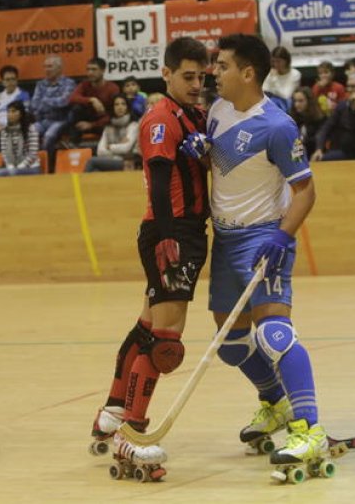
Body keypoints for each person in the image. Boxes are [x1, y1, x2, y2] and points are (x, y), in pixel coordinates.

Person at [181, 33, 326, 473]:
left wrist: (282, 236)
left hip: (264, 236)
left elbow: (305, 191)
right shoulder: (218, 112)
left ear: (247, 73)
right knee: (229, 343)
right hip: (224, 239)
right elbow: (225, 169)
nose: (213, 73)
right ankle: (275, 403)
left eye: (221, 66)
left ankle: (309, 430)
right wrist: (203, 154)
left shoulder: (278, 125)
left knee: (273, 334)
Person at [89, 38, 210, 478]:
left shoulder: (193, 115)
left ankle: (115, 409)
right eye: (188, 76)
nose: (197, 84)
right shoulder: (161, 118)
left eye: (202, 76)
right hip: (173, 230)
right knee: (166, 341)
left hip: (187, 230)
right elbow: (159, 181)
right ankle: (131, 437)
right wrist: (165, 237)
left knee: (146, 329)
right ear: (167, 74)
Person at [312, 72, 355, 161]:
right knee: (321, 159)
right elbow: (325, 129)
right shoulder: (342, 106)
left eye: (354, 86)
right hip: (344, 151)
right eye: (348, 86)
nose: (350, 89)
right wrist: (319, 149)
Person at [31, 55, 77, 166]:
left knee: (49, 136)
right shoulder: (40, 84)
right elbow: (34, 104)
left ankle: (49, 166)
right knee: (30, 132)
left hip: (60, 120)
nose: (47, 69)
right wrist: (51, 103)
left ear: (59, 68)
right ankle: (33, 164)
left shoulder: (69, 83)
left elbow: (64, 102)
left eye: (50, 66)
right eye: (45, 67)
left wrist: (45, 100)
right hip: (43, 120)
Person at [68, 57, 121, 145]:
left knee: (112, 122)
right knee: (75, 108)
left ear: (103, 70)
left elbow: (114, 114)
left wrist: (92, 124)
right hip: (86, 119)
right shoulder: (85, 85)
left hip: (103, 122)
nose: (90, 73)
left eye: (94, 70)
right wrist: (92, 100)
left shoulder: (112, 88)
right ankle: (73, 145)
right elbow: (72, 98)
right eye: (88, 69)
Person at [83, 96, 140, 172]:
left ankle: (82, 183)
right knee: (96, 171)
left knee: (91, 162)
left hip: (127, 161)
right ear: (112, 107)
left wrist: (109, 146)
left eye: (123, 104)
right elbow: (100, 151)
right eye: (116, 104)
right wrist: (119, 146)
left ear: (127, 107)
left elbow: (126, 148)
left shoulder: (133, 125)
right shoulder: (108, 127)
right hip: (111, 159)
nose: (120, 107)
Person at [0, 101, 41, 176]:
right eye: (8, 111)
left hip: (31, 166)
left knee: (14, 173)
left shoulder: (31, 129)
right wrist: (10, 166)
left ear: (21, 114)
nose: (10, 114)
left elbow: (33, 154)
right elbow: (4, 152)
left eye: (13, 111)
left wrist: (20, 167)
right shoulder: (5, 131)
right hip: (13, 167)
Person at [0, 65, 30, 136]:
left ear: (17, 80)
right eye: (7, 79)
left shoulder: (24, 95)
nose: (11, 82)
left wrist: (9, 126)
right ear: (2, 81)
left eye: (13, 79)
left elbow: (25, 114)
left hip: (15, 128)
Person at [289, 88, 326, 159]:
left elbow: (318, 139)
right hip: (296, 152)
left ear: (309, 101)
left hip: (313, 152)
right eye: (295, 101)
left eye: (300, 101)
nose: (296, 104)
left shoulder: (319, 118)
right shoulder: (291, 118)